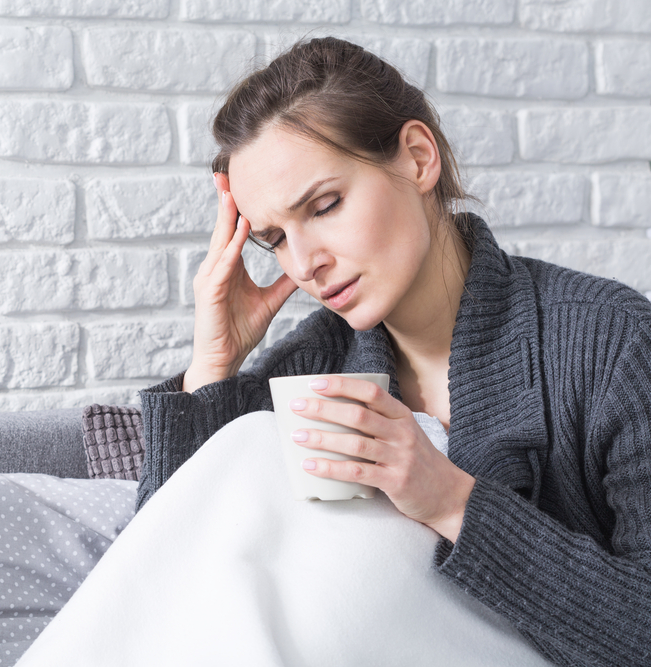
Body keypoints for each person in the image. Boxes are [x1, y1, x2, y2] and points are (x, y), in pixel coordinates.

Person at [136, 37, 651, 666]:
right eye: (275, 239)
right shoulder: (315, 367)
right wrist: (213, 364)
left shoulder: (613, 343)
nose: (304, 264)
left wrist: (452, 500)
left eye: (324, 206)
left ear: (417, 157)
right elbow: (161, 591)